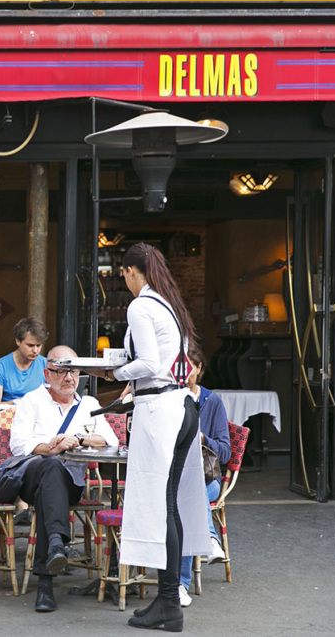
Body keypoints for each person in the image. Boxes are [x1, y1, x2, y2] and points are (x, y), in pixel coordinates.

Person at [86, 242, 208, 632]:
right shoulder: (169, 305)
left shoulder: (140, 306)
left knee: (161, 506)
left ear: (130, 271)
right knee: (169, 504)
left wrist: (110, 374)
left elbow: (149, 364)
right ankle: (167, 599)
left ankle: (169, 602)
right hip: (182, 406)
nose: (122, 278)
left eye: (122, 272)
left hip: (160, 411)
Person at [10, 345, 119, 613]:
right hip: (32, 480)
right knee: (51, 468)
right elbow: (18, 444)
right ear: (47, 374)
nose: (69, 377)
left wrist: (79, 439)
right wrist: (53, 447)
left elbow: (111, 441)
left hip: (71, 484)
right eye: (61, 371)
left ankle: (49, 573)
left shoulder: (89, 405)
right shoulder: (31, 400)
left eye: (73, 371)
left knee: (56, 478)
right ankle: (56, 548)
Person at [178, 350, 230, 608]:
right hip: (178, 479)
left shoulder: (212, 401)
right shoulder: (170, 399)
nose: (180, 373)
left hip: (208, 478)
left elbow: (225, 451)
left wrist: (202, 439)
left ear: (199, 368)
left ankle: (179, 584)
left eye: (186, 367)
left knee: (190, 496)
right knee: (188, 498)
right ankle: (210, 538)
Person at [0, 317, 49, 413]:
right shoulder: (1, 367)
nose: (35, 350)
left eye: (39, 345)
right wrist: (20, 402)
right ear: (18, 341)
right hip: (10, 421)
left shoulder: (46, 365)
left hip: (38, 421)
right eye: (30, 345)